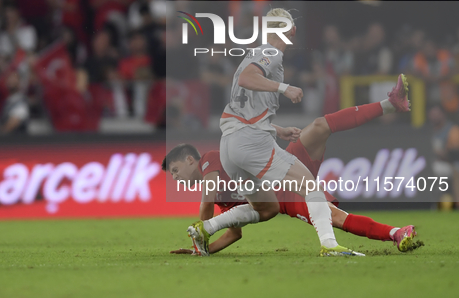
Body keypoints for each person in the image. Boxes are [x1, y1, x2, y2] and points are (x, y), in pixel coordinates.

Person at [164, 77, 416, 255]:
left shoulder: (211, 159)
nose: (176, 178)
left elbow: (206, 201)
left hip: (283, 164)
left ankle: (390, 104)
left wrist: (201, 235)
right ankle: (395, 233)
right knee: (336, 218)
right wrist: (203, 250)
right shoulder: (222, 197)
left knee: (319, 126)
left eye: (175, 170)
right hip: (284, 195)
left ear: (190, 160)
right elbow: (234, 235)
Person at [187, 9, 361, 257]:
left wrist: (277, 129)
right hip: (251, 142)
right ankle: (329, 246)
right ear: (292, 31)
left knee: (266, 207)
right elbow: (248, 78)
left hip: (230, 144)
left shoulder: (254, 54)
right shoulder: (271, 54)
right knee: (311, 188)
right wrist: (285, 88)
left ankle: (206, 228)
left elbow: (247, 105)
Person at [429, 104, 459, 209]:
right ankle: (433, 205)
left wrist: (438, 152)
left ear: (443, 114)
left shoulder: (453, 130)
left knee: (456, 171)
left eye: (436, 114)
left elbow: (454, 154)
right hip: (433, 163)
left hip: (453, 163)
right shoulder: (427, 130)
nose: (434, 117)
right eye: (432, 115)